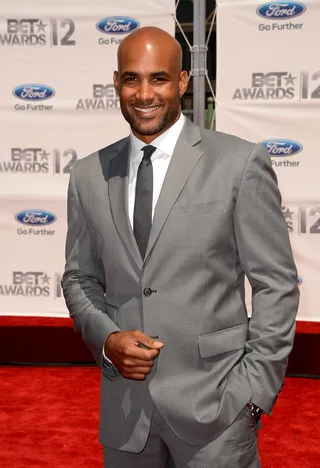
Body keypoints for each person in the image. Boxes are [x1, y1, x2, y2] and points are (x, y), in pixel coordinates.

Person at [62, 26, 299, 468]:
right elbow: (79, 278)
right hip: (125, 413)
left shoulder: (238, 163)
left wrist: (252, 393)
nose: (144, 93)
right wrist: (108, 339)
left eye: (159, 79)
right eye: (132, 79)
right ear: (116, 83)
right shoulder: (88, 175)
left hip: (218, 413)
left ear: (184, 83)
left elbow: (277, 285)